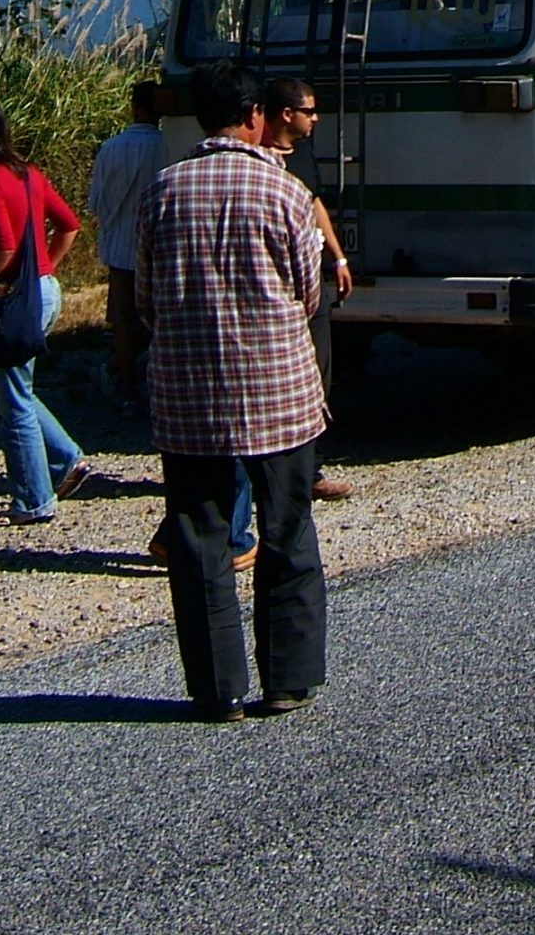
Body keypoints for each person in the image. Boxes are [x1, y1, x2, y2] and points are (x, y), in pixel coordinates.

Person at [135, 61, 332, 723]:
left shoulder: (163, 191)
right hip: (279, 393)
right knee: (286, 529)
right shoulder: (284, 193)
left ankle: (216, 690)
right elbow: (310, 292)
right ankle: (288, 678)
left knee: (198, 537)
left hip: (189, 397)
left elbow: (146, 300)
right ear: (254, 116)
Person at [0, 99, 93, 526]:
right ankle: (67, 461)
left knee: (13, 402)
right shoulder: (30, 173)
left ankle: (34, 498)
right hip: (46, 291)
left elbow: (4, 247)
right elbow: (70, 225)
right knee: (13, 389)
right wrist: (46, 268)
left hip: (16, 297)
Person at [260, 77, 360, 505]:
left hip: (313, 274)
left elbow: (315, 202)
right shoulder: (259, 159)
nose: (316, 118)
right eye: (309, 111)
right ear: (287, 114)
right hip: (277, 283)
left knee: (319, 373)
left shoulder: (301, 155)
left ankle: (311, 468)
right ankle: (276, 475)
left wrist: (337, 256)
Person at [87, 79, 167, 408]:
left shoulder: (111, 148)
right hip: (158, 251)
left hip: (120, 248)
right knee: (158, 320)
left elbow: (96, 202)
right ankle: (155, 385)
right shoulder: (168, 147)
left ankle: (126, 387)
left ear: (133, 107)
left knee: (123, 320)